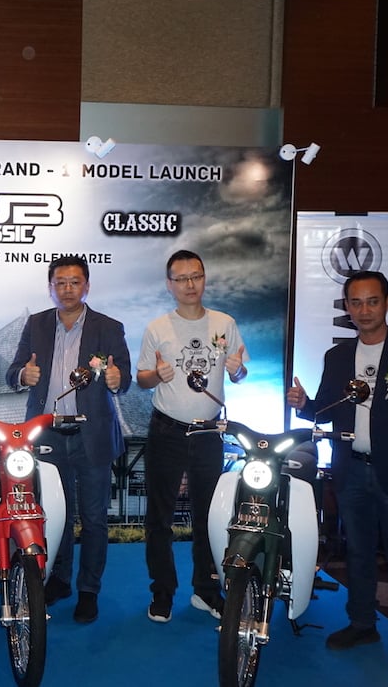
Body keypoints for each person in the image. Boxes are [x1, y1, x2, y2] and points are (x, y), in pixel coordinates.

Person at [287, 269, 388, 674]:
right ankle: (362, 624)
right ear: (347, 307)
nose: (364, 310)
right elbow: (326, 408)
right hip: (352, 470)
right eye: (355, 303)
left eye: (372, 301)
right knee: (357, 553)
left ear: (387, 303)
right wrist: (304, 405)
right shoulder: (337, 357)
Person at [4, 255, 131, 624]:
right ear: (51, 287)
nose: (67, 289)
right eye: (60, 282)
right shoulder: (37, 324)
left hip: (92, 434)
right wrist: (22, 376)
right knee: (54, 514)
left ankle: (89, 589)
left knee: (93, 518)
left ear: (86, 286)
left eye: (75, 282)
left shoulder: (109, 327)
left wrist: (116, 379)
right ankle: (59, 580)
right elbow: (13, 371)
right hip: (47, 436)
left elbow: (123, 377)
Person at [137, 250, 248, 624]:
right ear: (169, 284)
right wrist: (157, 375)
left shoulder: (224, 323)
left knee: (209, 516)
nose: (189, 284)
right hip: (166, 429)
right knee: (159, 518)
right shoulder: (157, 328)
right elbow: (141, 379)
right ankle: (163, 592)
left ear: (204, 279)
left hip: (208, 431)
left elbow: (239, 373)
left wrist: (238, 370)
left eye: (196, 276)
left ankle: (206, 590)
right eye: (181, 278)